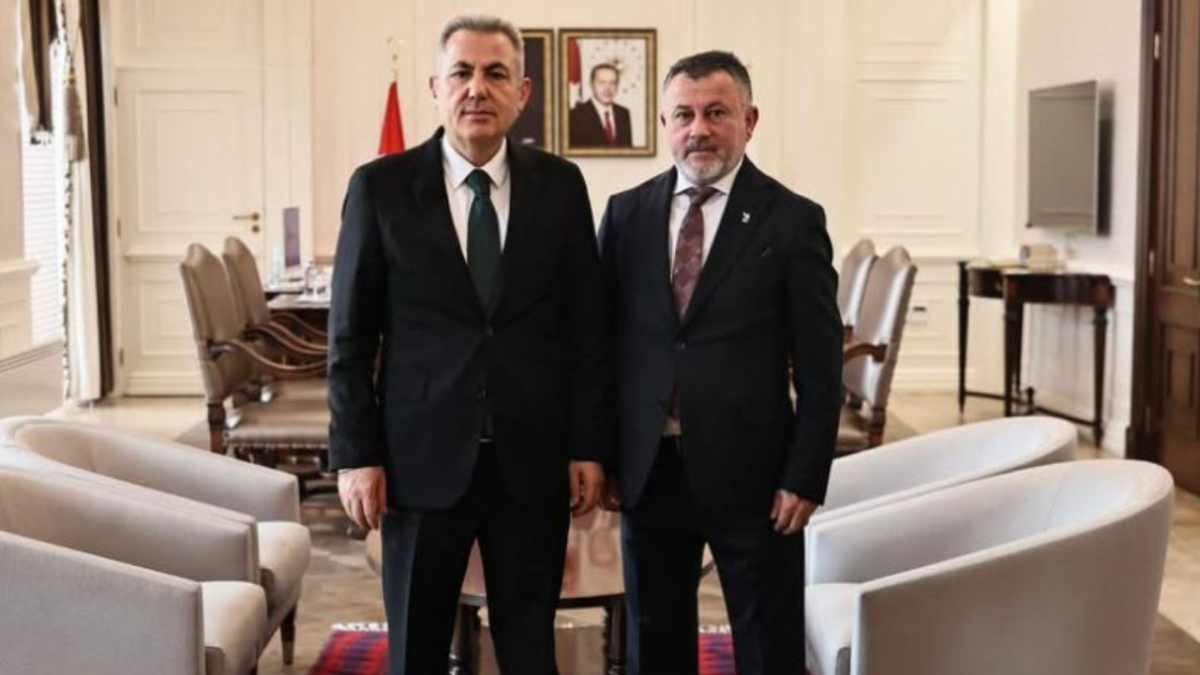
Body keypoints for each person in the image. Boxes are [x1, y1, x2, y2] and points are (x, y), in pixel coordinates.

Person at [328, 14, 611, 675]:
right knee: (416, 653)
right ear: (436, 87)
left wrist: (588, 444)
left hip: (532, 463)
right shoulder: (380, 188)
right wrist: (356, 455)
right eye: (461, 73)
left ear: (523, 92)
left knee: (529, 651)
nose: (476, 88)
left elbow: (587, 329)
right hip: (418, 463)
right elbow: (350, 337)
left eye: (495, 74)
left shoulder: (561, 186)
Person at [599, 51, 842, 675]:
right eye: (683, 115)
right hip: (649, 471)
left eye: (716, 113)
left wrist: (805, 475)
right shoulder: (626, 215)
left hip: (756, 479)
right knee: (653, 644)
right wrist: (603, 455)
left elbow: (821, 367)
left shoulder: (793, 221)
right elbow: (601, 348)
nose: (698, 129)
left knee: (768, 647)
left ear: (749, 120)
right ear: (664, 123)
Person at [569, 63, 633, 148]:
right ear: (591, 84)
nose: (607, 88)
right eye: (602, 82)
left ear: (617, 86)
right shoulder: (575, 116)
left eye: (612, 83)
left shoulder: (623, 113)